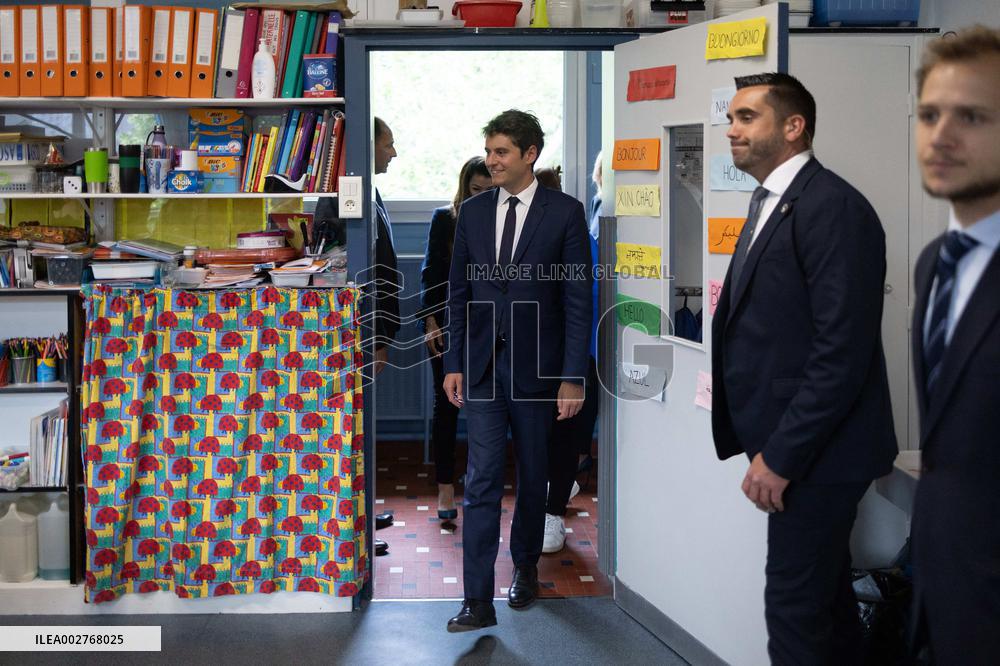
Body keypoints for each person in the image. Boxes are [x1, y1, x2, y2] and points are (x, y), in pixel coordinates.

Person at [711, 73, 897, 664]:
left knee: (794, 610)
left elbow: (841, 352)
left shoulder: (833, 207)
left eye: (747, 118)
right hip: (797, 443)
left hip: (819, 452)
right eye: (732, 118)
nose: (732, 130)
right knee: (825, 606)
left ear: (793, 127)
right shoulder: (771, 199)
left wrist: (783, 455)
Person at [443, 110, 592, 631]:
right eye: (489, 151)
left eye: (502, 152)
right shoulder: (475, 211)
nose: (491, 161)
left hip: (540, 370)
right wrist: (455, 363)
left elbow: (578, 299)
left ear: (530, 155)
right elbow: (457, 293)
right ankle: (476, 599)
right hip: (481, 367)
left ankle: (525, 567)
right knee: (481, 477)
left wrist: (573, 375)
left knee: (533, 474)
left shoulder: (566, 213)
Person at [909, 26, 1000, 663]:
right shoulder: (935, 262)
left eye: (971, 116)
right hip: (943, 597)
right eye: (929, 114)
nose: (941, 136)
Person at [419, 156, 493, 521]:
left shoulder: (501, 218)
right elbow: (431, 272)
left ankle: (478, 480)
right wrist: (431, 321)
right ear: (465, 188)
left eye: (489, 190)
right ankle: (445, 486)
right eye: (476, 190)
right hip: (445, 321)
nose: (482, 196)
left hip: (487, 324)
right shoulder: (444, 219)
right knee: (445, 406)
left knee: (485, 404)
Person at [541, 156, 600, 554]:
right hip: (536, 356)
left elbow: (584, 303)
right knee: (548, 438)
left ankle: (552, 510)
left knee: (565, 435)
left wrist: (575, 371)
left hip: (577, 356)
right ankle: (552, 496)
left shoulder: (581, 236)